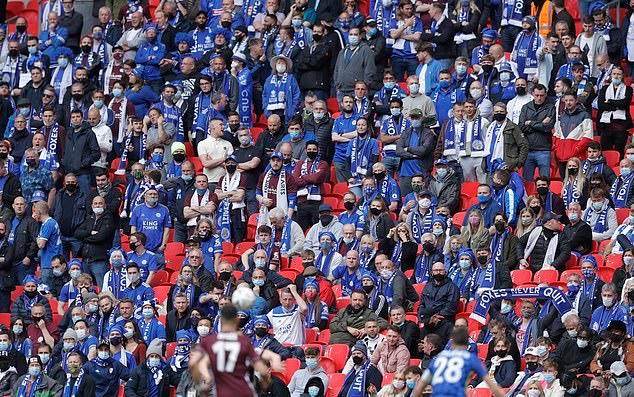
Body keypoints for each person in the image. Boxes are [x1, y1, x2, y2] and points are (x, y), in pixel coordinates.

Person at [413, 327, 505, 397]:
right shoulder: (471, 358)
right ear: (467, 344)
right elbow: (491, 385)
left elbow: (419, 387)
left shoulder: (439, 358)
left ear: (452, 343)